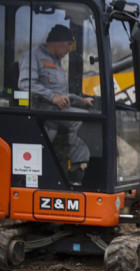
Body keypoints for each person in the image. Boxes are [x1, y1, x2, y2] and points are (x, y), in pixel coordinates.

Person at [18, 24, 93, 185]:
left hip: (56, 111)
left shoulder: (57, 62)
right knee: (80, 120)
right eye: (68, 46)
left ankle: (73, 167)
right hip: (39, 111)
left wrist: (80, 100)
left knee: (87, 116)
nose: (69, 51)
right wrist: (52, 97)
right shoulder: (33, 57)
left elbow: (61, 94)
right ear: (59, 42)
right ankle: (76, 169)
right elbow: (25, 84)